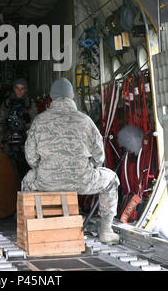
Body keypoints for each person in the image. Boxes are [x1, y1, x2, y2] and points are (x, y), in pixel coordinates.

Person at [21, 77, 120, 245]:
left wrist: (44, 170)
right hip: (82, 181)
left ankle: (30, 229)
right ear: (72, 96)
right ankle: (106, 231)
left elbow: (30, 157)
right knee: (111, 180)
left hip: (47, 181)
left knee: (27, 180)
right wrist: (89, 168)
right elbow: (99, 156)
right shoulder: (85, 120)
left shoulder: (39, 121)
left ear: (51, 98)